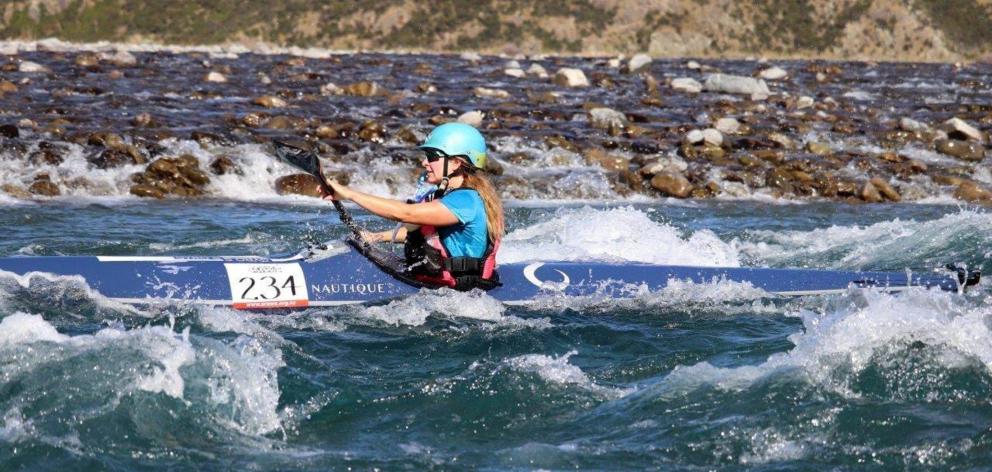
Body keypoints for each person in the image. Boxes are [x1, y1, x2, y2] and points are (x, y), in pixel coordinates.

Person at [319, 123, 504, 290]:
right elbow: (429, 232)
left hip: (459, 292)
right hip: (433, 283)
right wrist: (377, 237)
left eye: (432, 156)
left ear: (456, 162)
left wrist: (349, 194)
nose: (424, 162)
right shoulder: (445, 195)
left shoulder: (466, 200)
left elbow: (406, 214)